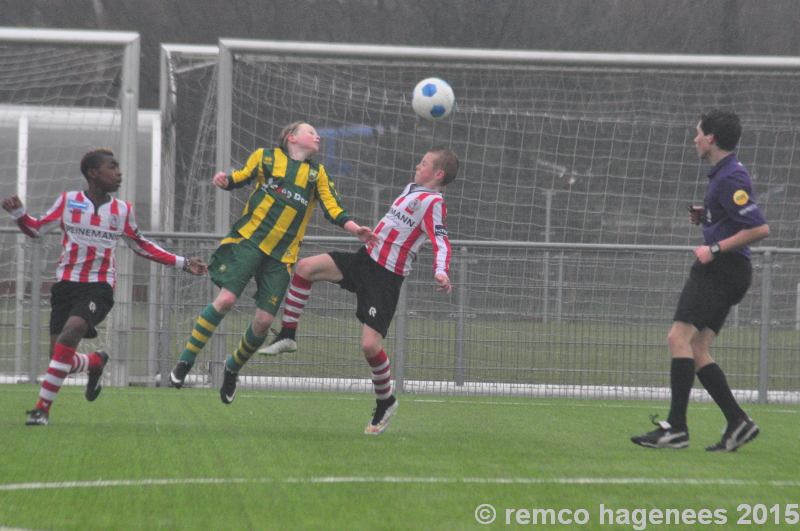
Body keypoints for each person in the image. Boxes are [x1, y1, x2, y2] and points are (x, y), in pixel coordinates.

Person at [169, 121, 377, 403]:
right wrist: (225, 180)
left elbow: (333, 208)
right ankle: (185, 361)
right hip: (250, 242)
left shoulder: (317, 174)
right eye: (310, 131)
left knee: (264, 322)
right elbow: (241, 177)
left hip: (282, 257)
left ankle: (232, 368)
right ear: (291, 137)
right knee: (227, 300)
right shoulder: (266, 157)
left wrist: (356, 229)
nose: (317, 135)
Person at [261, 146, 459, 435]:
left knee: (369, 346)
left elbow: (441, 240)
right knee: (304, 268)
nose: (418, 165)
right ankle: (288, 335)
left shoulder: (433, 203)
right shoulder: (411, 189)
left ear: (438, 173)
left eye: (424, 163)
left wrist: (441, 270)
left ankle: (385, 402)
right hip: (364, 260)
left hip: (386, 278)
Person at [3, 148, 207, 426]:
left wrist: (183, 262)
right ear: (93, 173)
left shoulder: (122, 211)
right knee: (58, 358)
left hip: (98, 286)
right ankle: (95, 362)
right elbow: (37, 230)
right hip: (65, 286)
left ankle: (41, 409)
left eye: (118, 167)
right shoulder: (68, 201)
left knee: (73, 329)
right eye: (112, 167)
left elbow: (142, 245)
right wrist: (19, 214)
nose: (119, 173)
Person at [631, 110, 769, 452]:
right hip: (729, 271)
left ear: (711, 138)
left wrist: (715, 247)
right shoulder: (722, 175)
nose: (694, 139)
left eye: (698, 133)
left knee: (678, 337)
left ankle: (676, 429)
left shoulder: (730, 178)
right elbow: (733, 219)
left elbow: (759, 228)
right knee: (696, 348)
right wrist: (706, 215)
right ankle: (738, 422)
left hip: (721, 270)